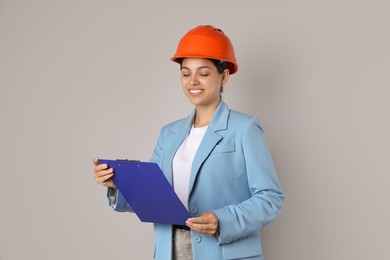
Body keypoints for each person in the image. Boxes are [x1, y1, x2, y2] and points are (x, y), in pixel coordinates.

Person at [93, 25, 284, 260]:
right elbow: (154, 198)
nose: (193, 81)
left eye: (203, 73)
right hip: (170, 252)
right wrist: (118, 184)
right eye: (186, 73)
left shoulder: (244, 129)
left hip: (222, 252)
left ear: (223, 76)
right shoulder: (169, 134)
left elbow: (270, 198)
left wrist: (222, 220)